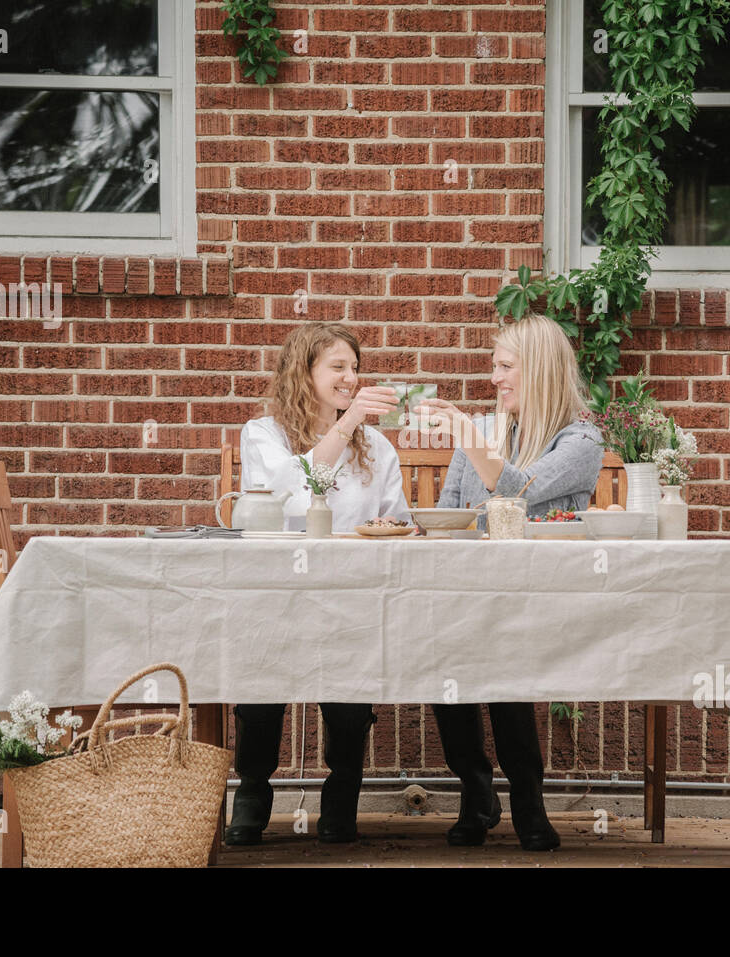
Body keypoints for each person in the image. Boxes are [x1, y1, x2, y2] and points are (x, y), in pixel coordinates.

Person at [413, 314, 604, 851]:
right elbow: (449, 513)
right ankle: (476, 787)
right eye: (493, 365)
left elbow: (518, 490)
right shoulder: (486, 434)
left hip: (540, 595)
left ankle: (527, 796)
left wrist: (471, 437)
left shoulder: (580, 439)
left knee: (499, 651)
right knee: (442, 651)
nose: (493, 377)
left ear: (538, 369)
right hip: (471, 588)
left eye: (504, 366)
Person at [227, 321, 411, 845]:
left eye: (355, 368)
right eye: (338, 367)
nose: (351, 377)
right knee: (261, 684)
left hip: (349, 591)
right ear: (303, 372)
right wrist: (348, 422)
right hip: (276, 589)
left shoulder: (376, 445)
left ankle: (343, 793)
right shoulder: (266, 433)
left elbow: (394, 519)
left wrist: (402, 528)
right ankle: (253, 793)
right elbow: (289, 493)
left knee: (350, 685)